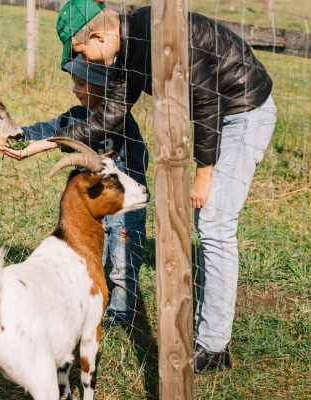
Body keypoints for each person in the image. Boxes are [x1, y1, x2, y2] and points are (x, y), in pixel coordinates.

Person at [47, 0, 278, 373]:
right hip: (219, 113)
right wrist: (47, 141)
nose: (84, 61)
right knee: (211, 225)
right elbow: (110, 117)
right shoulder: (123, 51)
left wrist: (204, 172)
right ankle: (210, 334)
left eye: (81, 52)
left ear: (97, 35)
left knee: (216, 224)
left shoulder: (157, 34)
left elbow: (206, 101)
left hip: (241, 110)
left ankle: (214, 346)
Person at [0, 55, 150, 330]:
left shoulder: (121, 121)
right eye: (74, 83)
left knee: (123, 264)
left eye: (81, 83)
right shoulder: (77, 115)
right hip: (91, 208)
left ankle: (121, 313)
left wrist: (115, 167)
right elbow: (51, 130)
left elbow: (139, 162)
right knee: (90, 259)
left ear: (102, 86)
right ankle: (87, 304)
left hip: (123, 208)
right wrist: (21, 137)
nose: (75, 89)